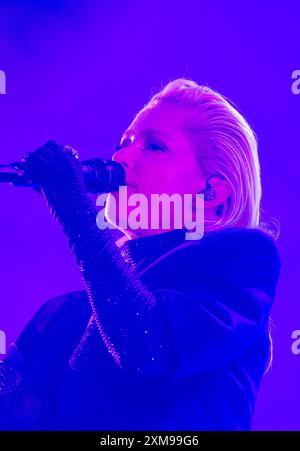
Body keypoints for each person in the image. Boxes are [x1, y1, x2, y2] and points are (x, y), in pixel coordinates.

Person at [0, 79, 281, 430]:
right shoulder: (64, 313)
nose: (120, 157)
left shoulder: (244, 261)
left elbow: (149, 349)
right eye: (124, 143)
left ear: (213, 193)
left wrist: (76, 213)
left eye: (154, 146)